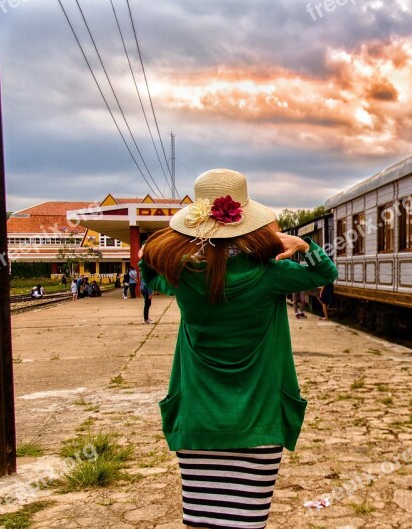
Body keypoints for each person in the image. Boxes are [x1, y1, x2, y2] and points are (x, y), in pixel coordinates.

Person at [139, 169, 337, 529]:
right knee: (247, 521)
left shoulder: (183, 275)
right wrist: (303, 246)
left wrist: (164, 244)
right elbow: (324, 274)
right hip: (259, 424)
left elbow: (148, 273)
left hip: (197, 422)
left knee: (201, 521)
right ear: (249, 222)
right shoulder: (272, 275)